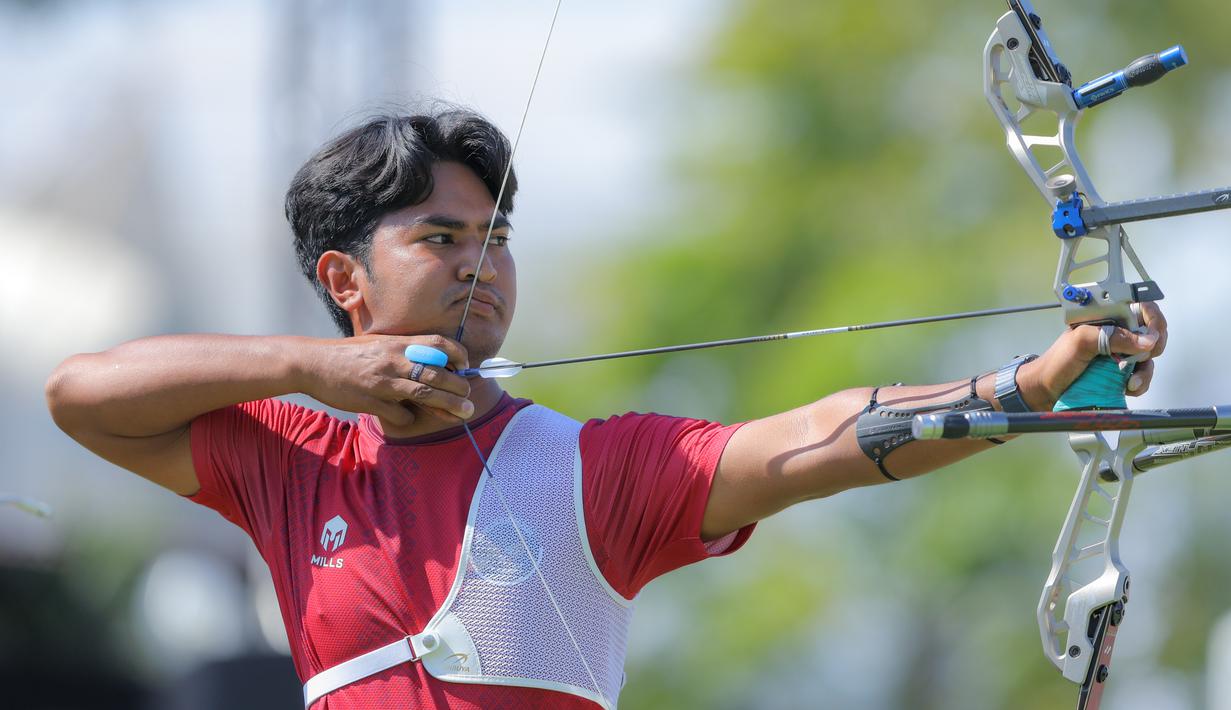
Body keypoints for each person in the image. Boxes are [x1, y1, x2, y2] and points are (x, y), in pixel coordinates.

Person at [44, 108, 1167, 709]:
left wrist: (1027, 385)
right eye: (440, 238)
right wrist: (313, 370)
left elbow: (810, 441)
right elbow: (80, 394)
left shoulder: (586, 469)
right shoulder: (292, 455)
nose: (480, 264)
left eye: (496, 239)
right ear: (346, 281)